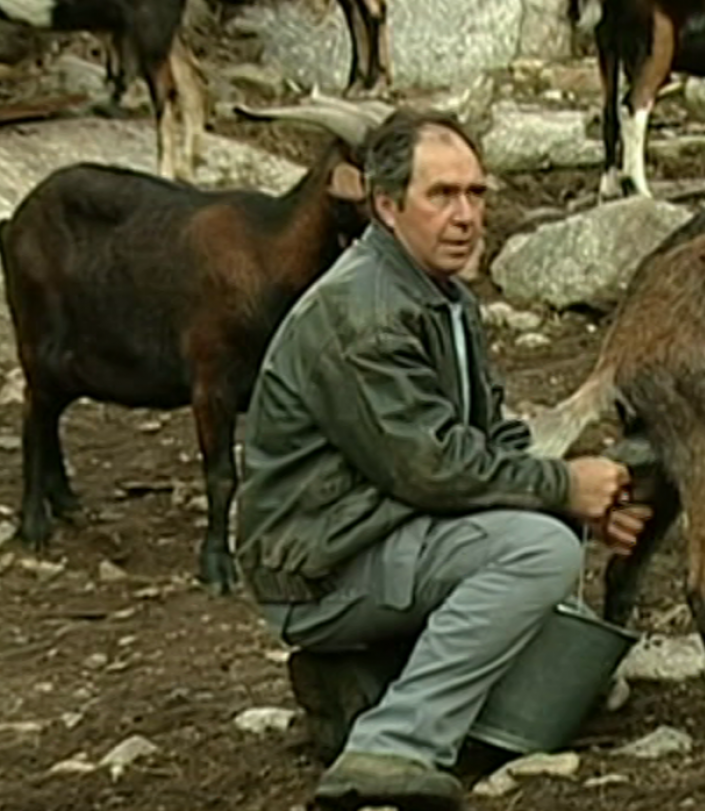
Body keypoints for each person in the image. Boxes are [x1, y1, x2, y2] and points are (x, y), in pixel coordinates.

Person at [233, 108, 650, 811]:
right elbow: (427, 467)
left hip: (371, 535)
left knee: (555, 591)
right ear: (387, 206)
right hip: (318, 564)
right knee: (537, 553)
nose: (465, 215)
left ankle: (366, 685)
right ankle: (392, 747)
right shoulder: (362, 311)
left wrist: (579, 497)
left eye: (476, 194)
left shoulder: (443, 299)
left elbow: (487, 437)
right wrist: (558, 489)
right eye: (442, 195)